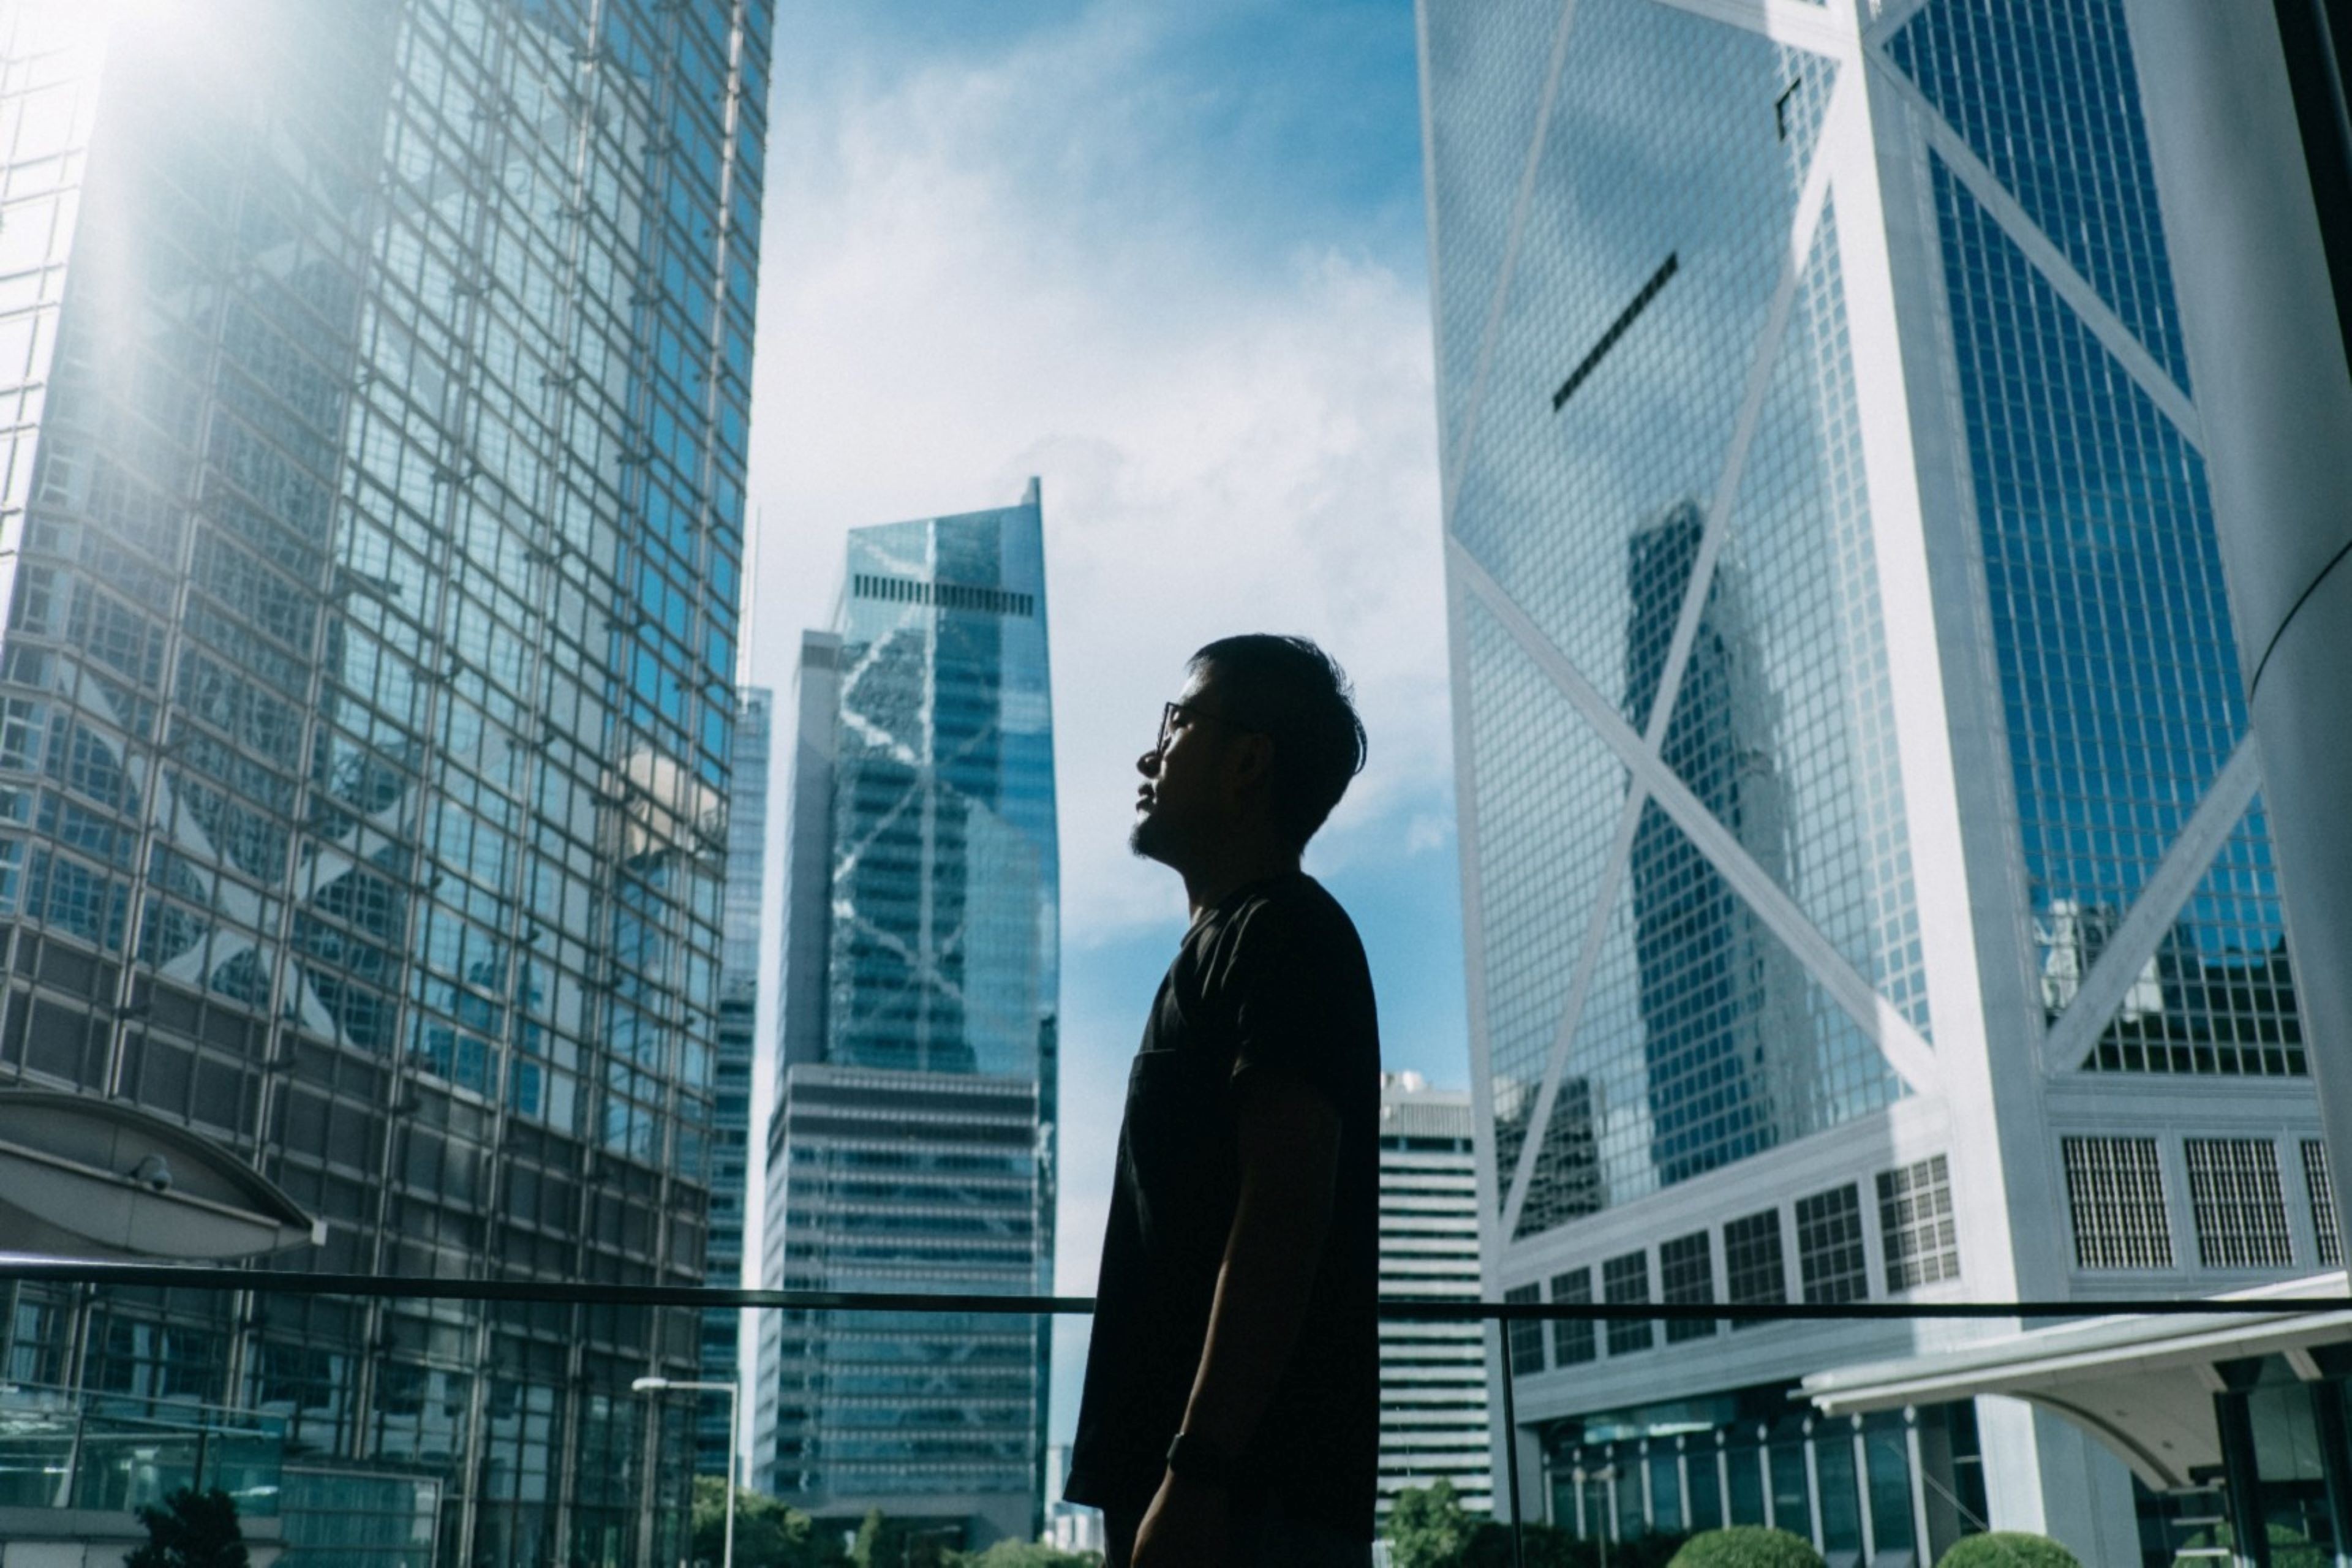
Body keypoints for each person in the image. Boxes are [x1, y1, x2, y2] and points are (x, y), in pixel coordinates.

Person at [1065, 634, 1381, 1568]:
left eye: (1178, 724)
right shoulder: (1224, 949)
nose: (1149, 755)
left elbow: (1282, 1212)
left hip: (1245, 1505)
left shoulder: (1284, 933)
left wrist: (1198, 1470)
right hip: (1196, 1488)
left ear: (1248, 762)